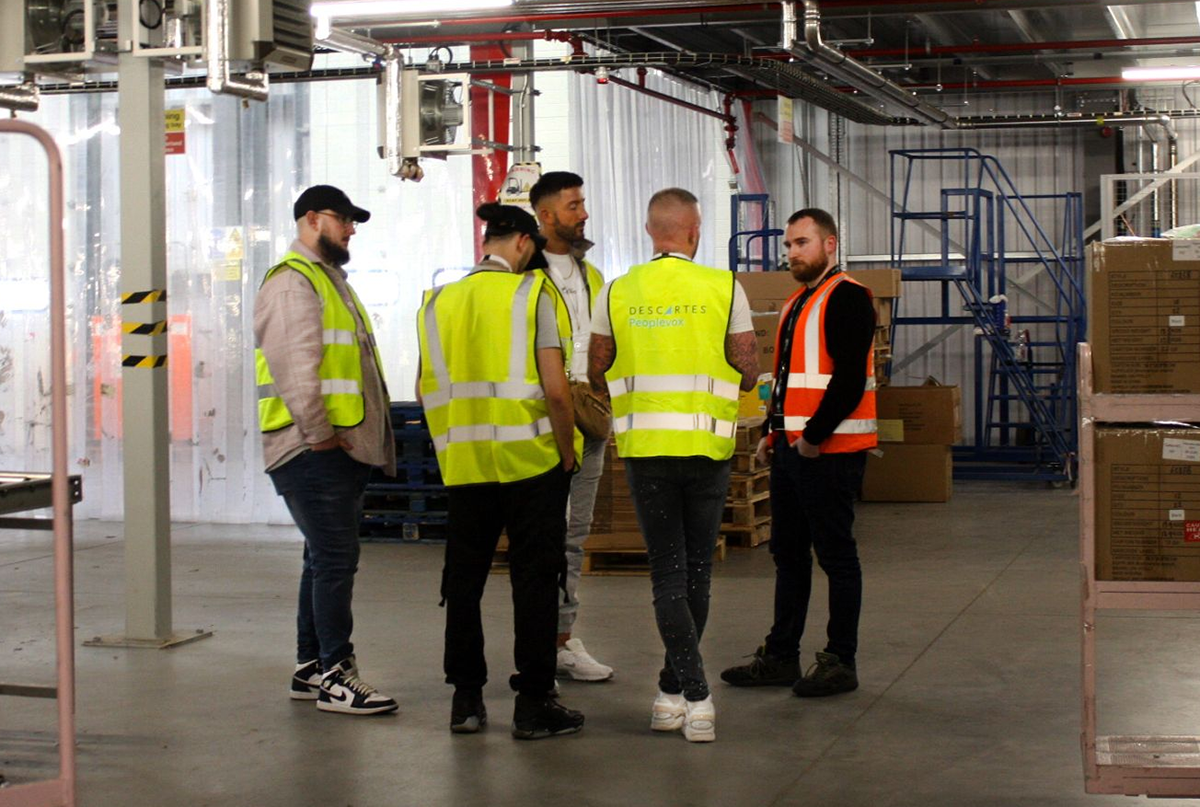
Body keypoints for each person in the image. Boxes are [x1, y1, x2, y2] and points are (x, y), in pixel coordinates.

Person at [588, 188, 759, 742]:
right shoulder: (723, 286)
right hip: (707, 451)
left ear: (650, 229)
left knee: (667, 572)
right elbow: (747, 366)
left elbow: (596, 368)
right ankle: (697, 696)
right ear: (695, 231)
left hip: (644, 451)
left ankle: (669, 692)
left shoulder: (617, 290)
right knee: (697, 571)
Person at [417, 202, 586, 740]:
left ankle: (466, 700)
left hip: (465, 464)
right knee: (534, 580)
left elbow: (427, 386)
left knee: (463, 581)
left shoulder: (437, 301)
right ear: (520, 243)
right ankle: (534, 703)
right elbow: (557, 391)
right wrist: (566, 452)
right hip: (531, 462)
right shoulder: (531, 295)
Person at [720, 207, 876, 698]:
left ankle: (840, 661)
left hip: (830, 452)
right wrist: (772, 431)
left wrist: (812, 437)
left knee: (836, 556)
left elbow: (848, 380)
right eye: (788, 245)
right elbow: (786, 381)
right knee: (788, 555)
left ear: (830, 245)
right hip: (793, 450)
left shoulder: (848, 298)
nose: (792, 252)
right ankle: (782, 654)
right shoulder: (796, 304)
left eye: (801, 243)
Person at [254, 184, 398, 716]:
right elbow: (296, 370)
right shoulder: (294, 284)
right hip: (311, 449)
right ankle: (338, 673)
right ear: (311, 219)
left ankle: (310, 666)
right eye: (344, 219)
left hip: (331, 447)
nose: (351, 229)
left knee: (321, 559)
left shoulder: (327, 282)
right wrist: (319, 435)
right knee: (336, 558)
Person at [527, 171, 614, 683]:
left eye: (583, 203)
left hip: (587, 420)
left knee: (574, 537)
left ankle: (561, 638)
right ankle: (540, 639)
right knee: (543, 537)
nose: (583, 214)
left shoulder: (594, 276)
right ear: (546, 215)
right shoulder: (525, 276)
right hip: (541, 420)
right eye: (574, 205)